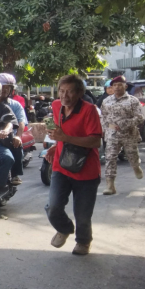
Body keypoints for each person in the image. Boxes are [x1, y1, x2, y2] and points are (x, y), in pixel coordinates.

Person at [44, 75, 102, 255]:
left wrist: (65, 139)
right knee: (53, 207)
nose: (64, 95)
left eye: (69, 91)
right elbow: (59, 132)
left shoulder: (89, 110)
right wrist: (55, 145)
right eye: (61, 91)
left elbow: (95, 141)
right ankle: (65, 228)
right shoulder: (56, 106)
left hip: (87, 170)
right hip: (61, 165)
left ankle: (83, 241)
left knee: (83, 214)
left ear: (79, 93)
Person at [100, 75, 144, 195]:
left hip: (128, 133)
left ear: (125, 86)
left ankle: (136, 166)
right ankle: (110, 185)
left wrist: (126, 124)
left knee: (132, 155)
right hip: (112, 134)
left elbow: (139, 117)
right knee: (110, 158)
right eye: (114, 85)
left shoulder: (132, 100)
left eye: (120, 85)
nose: (117, 87)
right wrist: (105, 128)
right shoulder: (106, 101)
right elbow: (102, 116)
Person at [0, 73, 27, 186]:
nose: (3, 90)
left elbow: (21, 122)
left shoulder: (15, 105)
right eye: (1, 87)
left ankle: (15, 174)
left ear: (11, 90)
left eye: (6, 88)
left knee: (16, 145)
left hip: (7, 137)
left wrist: (18, 136)